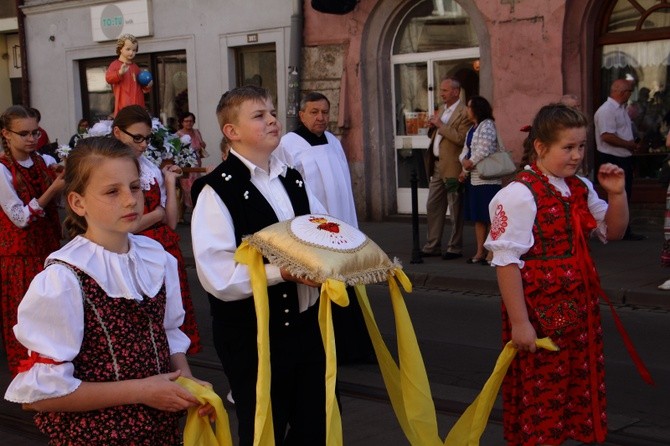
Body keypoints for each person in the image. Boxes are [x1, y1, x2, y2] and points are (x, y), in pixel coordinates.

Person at [4, 137, 213, 444]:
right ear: (78, 203)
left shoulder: (157, 257)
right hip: (98, 435)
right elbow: (38, 397)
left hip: (158, 430)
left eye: (135, 187)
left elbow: (168, 335)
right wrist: (141, 390)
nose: (130, 200)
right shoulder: (64, 278)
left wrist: (187, 381)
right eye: (112, 191)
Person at [190, 86, 328, 445]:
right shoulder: (216, 191)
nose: (271, 119)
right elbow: (217, 277)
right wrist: (280, 272)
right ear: (231, 132)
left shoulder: (291, 178)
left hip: (306, 327)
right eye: (258, 115)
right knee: (264, 429)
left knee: (316, 426)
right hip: (252, 336)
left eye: (271, 112)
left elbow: (323, 229)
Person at [484, 103, 628, 445]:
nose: (577, 155)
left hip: (579, 306)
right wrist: (520, 322)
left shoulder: (579, 187)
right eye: (568, 147)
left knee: (576, 380)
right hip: (539, 307)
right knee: (543, 387)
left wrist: (617, 194)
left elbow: (614, 231)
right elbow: (506, 260)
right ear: (540, 147)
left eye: (581, 146)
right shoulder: (519, 194)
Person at [277, 91, 373, 364]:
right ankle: (329, 349)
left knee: (348, 285)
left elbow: (343, 184)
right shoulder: (289, 144)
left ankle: (354, 346)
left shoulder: (332, 140)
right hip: (315, 228)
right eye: (314, 112)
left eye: (325, 112)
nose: (321, 117)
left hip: (342, 223)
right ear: (302, 114)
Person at [112, 105, 201, 355]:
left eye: (147, 139)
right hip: (133, 251)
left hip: (165, 247)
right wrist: (157, 214)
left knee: (171, 316)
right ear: (118, 133)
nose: (142, 144)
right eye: (137, 137)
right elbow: (124, 225)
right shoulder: (113, 168)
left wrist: (171, 182)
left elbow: (171, 221)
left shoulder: (149, 168)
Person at [0, 105, 64, 376]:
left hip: (48, 250)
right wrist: (54, 189)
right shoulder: (2, 170)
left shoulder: (45, 162)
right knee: (25, 317)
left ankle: (54, 372)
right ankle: (26, 378)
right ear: (6, 134)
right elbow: (20, 217)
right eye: (23, 133)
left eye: (35, 132)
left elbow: (60, 201)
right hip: (19, 257)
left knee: (52, 315)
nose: (31, 138)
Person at [421, 77, 471, 260]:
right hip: (436, 165)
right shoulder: (442, 109)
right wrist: (432, 126)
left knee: (455, 208)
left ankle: (454, 247)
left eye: (445, 90)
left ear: (456, 92)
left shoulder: (464, 112)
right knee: (433, 205)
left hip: (453, 167)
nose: (441, 94)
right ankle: (432, 245)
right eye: (441, 90)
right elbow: (437, 135)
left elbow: (460, 138)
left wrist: (441, 125)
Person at [594, 78, 644, 240]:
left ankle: (624, 229)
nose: (630, 95)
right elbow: (607, 136)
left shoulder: (621, 109)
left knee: (625, 194)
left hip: (623, 156)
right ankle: (614, 229)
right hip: (612, 157)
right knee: (616, 194)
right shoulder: (607, 110)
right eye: (629, 91)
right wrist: (628, 144)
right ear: (622, 92)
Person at [458, 95, 502, 264]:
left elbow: (484, 150)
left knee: (490, 217)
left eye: (469, 107)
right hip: (475, 178)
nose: (467, 110)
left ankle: (491, 252)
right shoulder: (472, 128)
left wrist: (469, 163)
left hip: (488, 180)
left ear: (477, 109)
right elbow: (465, 150)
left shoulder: (488, 126)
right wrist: (464, 165)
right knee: (478, 218)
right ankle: (479, 252)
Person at [105, 34, 152, 117]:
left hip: (138, 105)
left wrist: (147, 86)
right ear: (120, 49)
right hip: (124, 105)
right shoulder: (115, 65)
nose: (131, 53)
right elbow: (108, 78)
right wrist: (119, 73)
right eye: (128, 49)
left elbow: (141, 86)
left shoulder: (135, 67)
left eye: (134, 50)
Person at [176, 112, 207, 217]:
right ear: (182, 122)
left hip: (196, 165)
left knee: (196, 187)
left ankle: (195, 213)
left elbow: (202, 144)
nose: (189, 123)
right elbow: (176, 150)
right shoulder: (178, 134)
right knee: (187, 189)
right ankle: (191, 212)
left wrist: (202, 145)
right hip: (186, 166)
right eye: (186, 121)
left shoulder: (196, 132)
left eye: (191, 121)